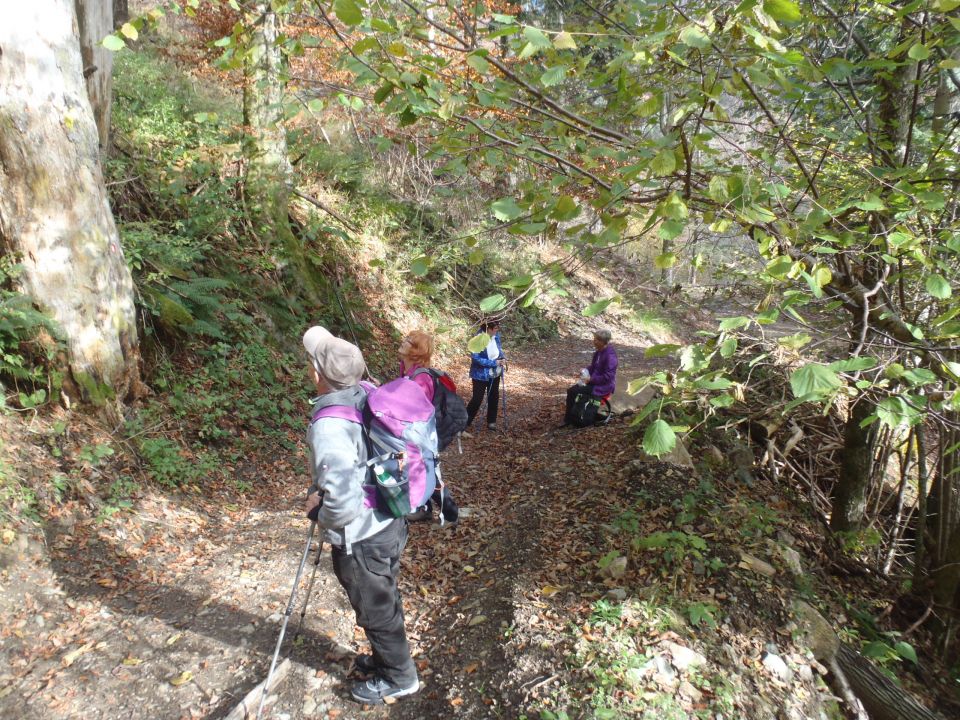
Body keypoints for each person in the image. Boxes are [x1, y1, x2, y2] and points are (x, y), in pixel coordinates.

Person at [301, 326, 419, 705]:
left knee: (375, 607)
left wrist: (320, 512)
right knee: (384, 595)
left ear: (318, 375)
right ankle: (389, 658)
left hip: (362, 536)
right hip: (389, 518)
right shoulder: (368, 392)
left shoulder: (331, 425)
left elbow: (342, 502)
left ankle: (401, 677)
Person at [398, 330, 460, 525]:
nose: (403, 342)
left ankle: (451, 513)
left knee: (428, 472)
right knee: (417, 470)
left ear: (416, 350)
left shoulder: (421, 378)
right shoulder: (405, 368)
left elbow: (418, 408)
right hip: (412, 432)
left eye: (408, 341)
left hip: (422, 434)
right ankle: (423, 508)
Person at [564, 329, 618, 424]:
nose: (594, 341)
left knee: (574, 392)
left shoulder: (610, 356)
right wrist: (584, 371)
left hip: (603, 386)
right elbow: (593, 367)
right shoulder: (598, 352)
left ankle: (570, 419)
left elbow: (608, 377)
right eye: (594, 339)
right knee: (571, 391)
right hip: (593, 382)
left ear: (603, 342)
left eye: (597, 340)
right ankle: (571, 417)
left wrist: (591, 379)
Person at [464, 320, 506, 433]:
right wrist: (494, 363)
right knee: (477, 399)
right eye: (496, 328)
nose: (497, 330)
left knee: (493, 397)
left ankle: (491, 422)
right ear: (489, 328)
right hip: (480, 375)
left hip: (495, 373)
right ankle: (464, 422)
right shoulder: (478, 339)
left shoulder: (495, 336)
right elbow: (476, 358)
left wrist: (502, 358)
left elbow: (499, 349)